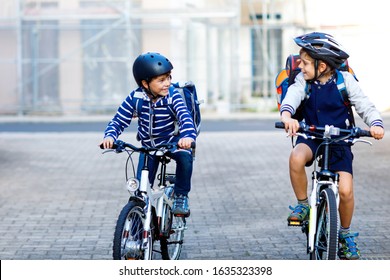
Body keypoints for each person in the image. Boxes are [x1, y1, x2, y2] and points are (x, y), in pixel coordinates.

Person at [279, 32, 385, 260]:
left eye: (305, 63)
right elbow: (292, 97)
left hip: (340, 140)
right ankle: (303, 205)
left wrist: (375, 124)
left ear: (323, 65)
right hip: (312, 135)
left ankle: (345, 235)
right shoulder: (303, 82)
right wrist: (287, 116)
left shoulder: (344, 81)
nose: (301, 67)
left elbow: (365, 104)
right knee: (296, 157)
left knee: (345, 190)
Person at [100, 52, 196, 217]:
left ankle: (181, 196)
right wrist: (110, 136)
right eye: (161, 80)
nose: (167, 83)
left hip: (172, 143)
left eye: (168, 78)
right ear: (145, 83)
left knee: (185, 158)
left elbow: (185, 118)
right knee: (140, 192)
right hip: (148, 148)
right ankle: (137, 232)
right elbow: (118, 120)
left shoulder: (173, 97)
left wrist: (187, 137)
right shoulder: (135, 98)